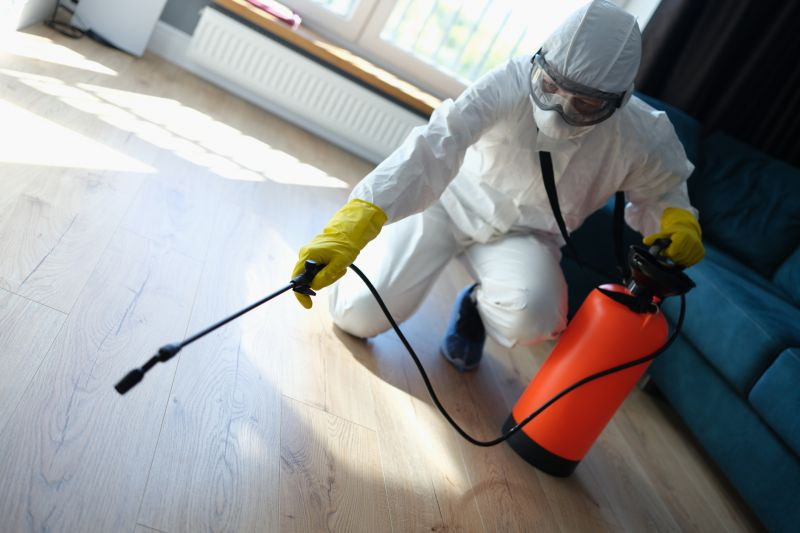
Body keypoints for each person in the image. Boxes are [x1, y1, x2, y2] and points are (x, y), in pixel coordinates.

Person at [291, 0, 705, 371]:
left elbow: (664, 189)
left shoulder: (643, 134)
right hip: (447, 204)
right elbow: (437, 144)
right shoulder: (512, 78)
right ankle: (386, 262)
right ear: (540, 62)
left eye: (585, 103)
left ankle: (474, 304)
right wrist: (357, 220)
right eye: (550, 85)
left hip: (526, 234)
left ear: (619, 100)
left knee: (538, 318)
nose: (559, 107)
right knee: (354, 316)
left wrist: (678, 222)